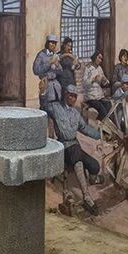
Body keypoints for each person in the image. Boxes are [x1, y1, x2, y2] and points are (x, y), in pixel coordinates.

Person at [47, 85, 103, 215]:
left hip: (74, 146)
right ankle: (87, 197)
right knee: (77, 155)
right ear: (65, 95)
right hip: (63, 147)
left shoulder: (76, 114)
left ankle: (93, 178)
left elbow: (85, 129)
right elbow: (44, 105)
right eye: (70, 95)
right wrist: (43, 92)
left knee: (94, 166)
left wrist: (100, 135)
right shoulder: (56, 108)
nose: (72, 98)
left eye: (74, 96)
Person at [32, 34, 61, 114]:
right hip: (45, 85)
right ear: (47, 43)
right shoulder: (41, 55)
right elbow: (36, 70)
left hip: (56, 86)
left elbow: (60, 71)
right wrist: (49, 63)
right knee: (45, 108)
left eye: (55, 43)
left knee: (57, 109)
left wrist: (57, 65)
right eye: (51, 43)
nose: (53, 45)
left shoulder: (55, 55)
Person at [82, 50, 110, 120]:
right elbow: (84, 84)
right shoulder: (88, 68)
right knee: (102, 109)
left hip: (99, 96)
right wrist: (93, 79)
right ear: (95, 57)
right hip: (90, 96)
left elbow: (105, 83)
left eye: (101, 59)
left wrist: (104, 80)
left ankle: (100, 122)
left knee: (108, 105)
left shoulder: (99, 68)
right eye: (99, 58)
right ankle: (99, 123)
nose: (100, 60)